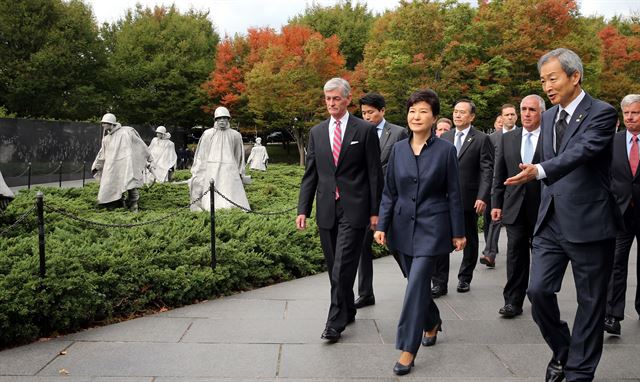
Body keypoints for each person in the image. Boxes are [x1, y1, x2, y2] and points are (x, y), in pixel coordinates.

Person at [505, 48, 619, 382]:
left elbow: (581, 153)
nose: (547, 86)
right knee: (537, 291)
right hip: (551, 221)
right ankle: (564, 350)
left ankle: (579, 373)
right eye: (543, 80)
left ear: (574, 76)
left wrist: (538, 170)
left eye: (552, 78)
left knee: (591, 302)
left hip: (590, 223)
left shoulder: (601, 112)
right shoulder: (550, 116)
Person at [374, 89, 465, 375]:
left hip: (432, 228)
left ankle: (407, 348)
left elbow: (454, 193)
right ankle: (433, 321)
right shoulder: (399, 149)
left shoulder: (446, 151)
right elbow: (389, 192)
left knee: (414, 287)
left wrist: (458, 231)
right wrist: (382, 225)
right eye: (413, 110)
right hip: (401, 230)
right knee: (417, 284)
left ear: (434, 117)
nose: (417, 116)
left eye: (423, 111)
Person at [296, 78, 383, 343]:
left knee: (342, 266)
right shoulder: (317, 132)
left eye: (336, 98)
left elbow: (374, 174)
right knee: (335, 265)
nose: (331, 103)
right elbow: (311, 175)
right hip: (325, 209)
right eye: (327, 99)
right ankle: (348, 308)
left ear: (347, 99)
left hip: (354, 209)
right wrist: (303, 209)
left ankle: (334, 322)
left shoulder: (364, 130)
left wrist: (375, 212)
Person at [432, 99, 493, 296]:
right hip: (443, 197)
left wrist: (482, 196)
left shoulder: (481, 138)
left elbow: (487, 170)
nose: (457, 115)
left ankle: (464, 278)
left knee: (469, 239)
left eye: (462, 112)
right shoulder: (445, 137)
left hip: (468, 198)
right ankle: (439, 283)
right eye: (455, 111)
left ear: (472, 116)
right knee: (441, 239)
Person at [491, 95, 544, 318]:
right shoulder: (509, 138)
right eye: (523, 109)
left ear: (542, 112)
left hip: (544, 206)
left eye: (532, 109)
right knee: (515, 255)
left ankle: (541, 297)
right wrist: (497, 202)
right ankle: (513, 301)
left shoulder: (551, 137)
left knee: (543, 255)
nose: (527, 113)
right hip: (515, 206)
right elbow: (499, 171)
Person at [355, 92, 408, 309]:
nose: (367, 117)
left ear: (382, 111)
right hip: (364, 201)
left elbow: (405, 166)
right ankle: (365, 293)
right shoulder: (355, 132)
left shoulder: (398, 133)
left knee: (396, 244)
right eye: (363, 113)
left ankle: (415, 282)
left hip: (390, 199)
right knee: (361, 247)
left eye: (371, 112)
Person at [604, 94, 640, 336]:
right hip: (620, 212)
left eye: (634, 113)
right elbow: (605, 176)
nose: (629, 117)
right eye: (626, 113)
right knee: (616, 264)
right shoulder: (613, 142)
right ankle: (612, 316)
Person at [189, 106, 250, 211]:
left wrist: (239, 170)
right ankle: (211, 208)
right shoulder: (208, 134)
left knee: (231, 191)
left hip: (230, 168)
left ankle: (234, 208)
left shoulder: (235, 135)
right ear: (216, 119)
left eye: (225, 118)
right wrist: (198, 171)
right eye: (219, 118)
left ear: (228, 119)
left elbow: (238, 155)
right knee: (212, 191)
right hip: (212, 168)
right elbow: (202, 154)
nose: (222, 120)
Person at [481, 104, 519, 268]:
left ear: (516, 116)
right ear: (501, 118)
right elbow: (487, 164)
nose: (510, 117)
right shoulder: (492, 138)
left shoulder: (523, 135)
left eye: (512, 114)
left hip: (518, 183)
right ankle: (490, 253)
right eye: (507, 115)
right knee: (494, 218)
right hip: (497, 184)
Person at [91, 113, 153, 212]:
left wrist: (149, 158)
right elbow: (102, 154)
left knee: (130, 183)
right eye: (103, 123)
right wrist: (97, 165)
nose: (103, 125)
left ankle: (134, 204)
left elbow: (139, 145)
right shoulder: (106, 139)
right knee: (110, 185)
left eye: (106, 123)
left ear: (112, 123)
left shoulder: (125, 133)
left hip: (126, 163)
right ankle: (117, 204)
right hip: (111, 166)